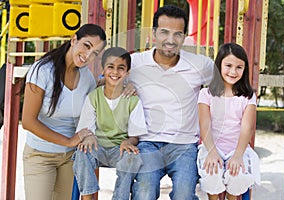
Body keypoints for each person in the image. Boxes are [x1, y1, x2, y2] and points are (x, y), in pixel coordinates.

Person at [128, 5, 214, 200]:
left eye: (177, 34)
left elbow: (227, 86)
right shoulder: (135, 63)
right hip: (147, 141)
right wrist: (120, 86)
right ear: (153, 33)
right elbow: (105, 81)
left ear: (184, 37)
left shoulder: (201, 65)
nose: (170, 40)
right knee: (144, 191)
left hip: (184, 144)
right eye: (164, 32)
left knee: (184, 193)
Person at [21, 23, 107, 200]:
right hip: (40, 155)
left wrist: (118, 85)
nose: (88, 55)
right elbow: (28, 121)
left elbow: (92, 110)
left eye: (95, 53)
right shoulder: (42, 71)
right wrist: (68, 141)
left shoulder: (86, 78)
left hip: (69, 158)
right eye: (86, 46)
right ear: (74, 39)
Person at [72, 47, 147, 200]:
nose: (115, 72)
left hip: (119, 150)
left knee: (132, 157)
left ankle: (120, 197)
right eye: (110, 67)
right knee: (81, 152)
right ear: (103, 69)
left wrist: (128, 141)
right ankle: (87, 196)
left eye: (121, 68)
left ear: (127, 72)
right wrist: (88, 138)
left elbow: (135, 136)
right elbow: (86, 130)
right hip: (97, 147)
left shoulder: (133, 100)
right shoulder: (93, 97)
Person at [197, 43, 261, 200]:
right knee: (212, 173)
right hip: (212, 147)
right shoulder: (206, 94)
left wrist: (238, 155)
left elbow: (247, 128)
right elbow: (205, 125)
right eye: (228, 65)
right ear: (219, 65)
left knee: (237, 174)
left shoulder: (248, 97)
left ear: (244, 69)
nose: (233, 71)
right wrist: (212, 153)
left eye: (239, 67)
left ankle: (232, 197)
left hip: (237, 149)